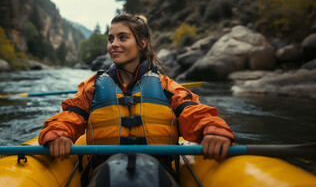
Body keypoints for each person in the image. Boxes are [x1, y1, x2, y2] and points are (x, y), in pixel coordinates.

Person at [38, 13, 234, 165]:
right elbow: (69, 116)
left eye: (122, 38)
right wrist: (58, 133)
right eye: (111, 39)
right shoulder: (93, 86)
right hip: (105, 171)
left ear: (142, 43)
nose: (114, 44)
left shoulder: (166, 85)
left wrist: (212, 129)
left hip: (157, 171)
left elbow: (194, 112)